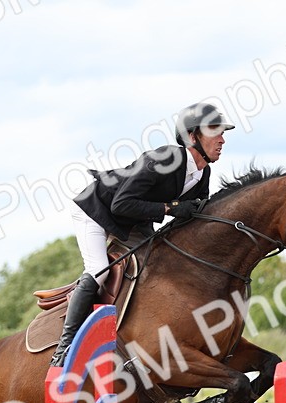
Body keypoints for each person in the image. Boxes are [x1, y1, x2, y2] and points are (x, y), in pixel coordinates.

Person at [50, 101, 235, 366]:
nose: (222, 139)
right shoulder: (163, 160)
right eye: (215, 131)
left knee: (154, 267)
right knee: (100, 269)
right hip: (97, 210)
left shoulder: (202, 174)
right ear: (193, 136)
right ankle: (65, 347)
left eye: (223, 132)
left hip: (135, 220)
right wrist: (171, 208)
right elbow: (120, 204)